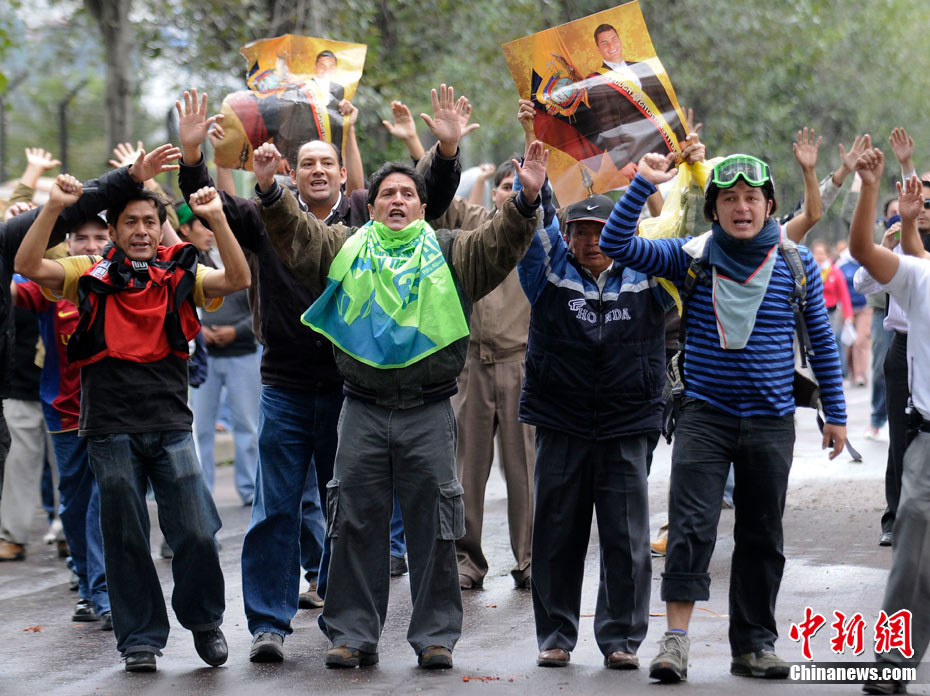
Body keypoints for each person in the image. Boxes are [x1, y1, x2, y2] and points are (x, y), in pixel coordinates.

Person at [175, 86, 462, 663]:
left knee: (351, 513)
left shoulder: (362, 215)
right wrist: (191, 156)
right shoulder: (266, 214)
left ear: (342, 174)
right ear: (291, 172)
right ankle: (268, 624)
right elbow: (209, 202)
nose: (317, 171)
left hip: (349, 392)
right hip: (283, 385)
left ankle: (342, 618)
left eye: (326, 162)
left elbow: (426, 192)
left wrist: (447, 149)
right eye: (306, 163)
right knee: (274, 510)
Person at [252, 112, 547, 670]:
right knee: (353, 524)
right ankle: (351, 636)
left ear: (421, 206)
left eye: (407, 194)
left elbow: (499, 244)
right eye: (386, 193)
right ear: (372, 206)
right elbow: (298, 237)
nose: (396, 200)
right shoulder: (344, 247)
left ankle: (436, 638)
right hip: (361, 410)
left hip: (429, 411)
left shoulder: (451, 251)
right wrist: (270, 191)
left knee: (435, 528)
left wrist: (526, 201)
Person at [599, 151, 846, 683]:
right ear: (714, 210)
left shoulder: (795, 262)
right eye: (729, 199)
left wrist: (836, 413)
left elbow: (822, 341)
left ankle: (754, 646)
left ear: (769, 206)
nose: (741, 208)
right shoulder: (690, 255)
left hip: (772, 420)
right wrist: (643, 183)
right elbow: (614, 244)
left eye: (752, 198)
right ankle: (676, 642)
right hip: (703, 417)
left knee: (762, 535)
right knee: (690, 529)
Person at [14, 144, 249, 673]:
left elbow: (237, 280)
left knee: (196, 531)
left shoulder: (180, 272)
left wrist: (216, 220)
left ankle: (204, 620)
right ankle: (140, 638)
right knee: (124, 539)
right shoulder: (85, 270)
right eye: (130, 222)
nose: (141, 230)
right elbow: (26, 265)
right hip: (109, 429)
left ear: (161, 228)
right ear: (114, 230)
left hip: (171, 426)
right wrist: (53, 208)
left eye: (149, 222)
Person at [847, 145, 930, 696]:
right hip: (927, 444)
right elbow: (862, 251)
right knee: (911, 558)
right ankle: (891, 663)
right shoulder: (920, 278)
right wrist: (874, 190)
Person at [430, 158, 536, 592]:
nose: (513, 193)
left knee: (524, 469)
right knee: (466, 470)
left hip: (519, 363)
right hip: (471, 363)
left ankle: (530, 559)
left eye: (521, 187)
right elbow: (436, 196)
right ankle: (466, 560)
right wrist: (436, 146)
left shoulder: (536, 230)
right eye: (507, 185)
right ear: (494, 192)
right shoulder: (473, 222)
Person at [14, 215, 112, 628]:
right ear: (67, 243)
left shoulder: (127, 277)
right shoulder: (50, 282)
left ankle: (104, 590)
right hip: (65, 410)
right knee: (75, 501)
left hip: (115, 410)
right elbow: (15, 284)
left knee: (106, 500)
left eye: (100, 237)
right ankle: (87, 584)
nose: (90, 245)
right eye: (81, 238)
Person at [853, 127, 930, 547]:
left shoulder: (921, 253)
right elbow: (863, 278)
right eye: (918, 201)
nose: (923, 207)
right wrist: (884, 242)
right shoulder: (897, 248)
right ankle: (895, 517)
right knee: (902, 437)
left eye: (928, 202)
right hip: (902, 349)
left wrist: (906, 165)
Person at [180, 202, 261, 506]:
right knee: (200, 428)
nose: (210, 231)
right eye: (202, 225)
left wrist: (236, 331)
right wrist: (200, 331)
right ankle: (201, 493)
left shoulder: (235, 255)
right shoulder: (184, 263)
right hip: (204, 359)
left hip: (243, 353)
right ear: (185, 229)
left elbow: (257, 304)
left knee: (247, 425)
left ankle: (250, 489)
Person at [577, 23, 686, 174]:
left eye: (614, 39)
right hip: (639, 154)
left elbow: (666, 104)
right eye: (604, 43)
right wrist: (622, 162)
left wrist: (682, 138)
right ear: (598, 49)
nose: (611, 46)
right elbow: (606, 126)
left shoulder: (643, 67)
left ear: (620, 40)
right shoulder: (596, 82)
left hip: (668, 143)